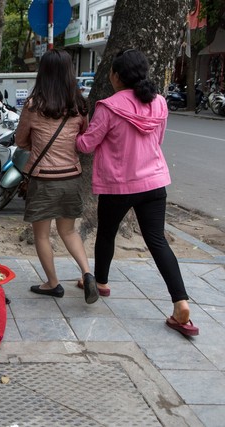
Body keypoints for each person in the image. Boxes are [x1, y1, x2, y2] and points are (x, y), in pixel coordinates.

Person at [76, 48, 199, 335]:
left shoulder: (108, 107)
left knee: (106, 233)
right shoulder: (159, 103)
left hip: (119, 185)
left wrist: (77, 134)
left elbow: (87, 145)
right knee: (157, 241)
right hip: (155, 183)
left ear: (117, 76)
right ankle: (180, 302)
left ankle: (102, 282)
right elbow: (158, 139)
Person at [14, 49, 98, 303]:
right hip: (71, 177)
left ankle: (52, 283)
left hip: (44, 179)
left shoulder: (33, 105)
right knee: (69, 231)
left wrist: (35, 145)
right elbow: (82, 137)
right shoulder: (79, 106)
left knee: (42, 234)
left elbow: (20, 140)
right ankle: (87, 273)